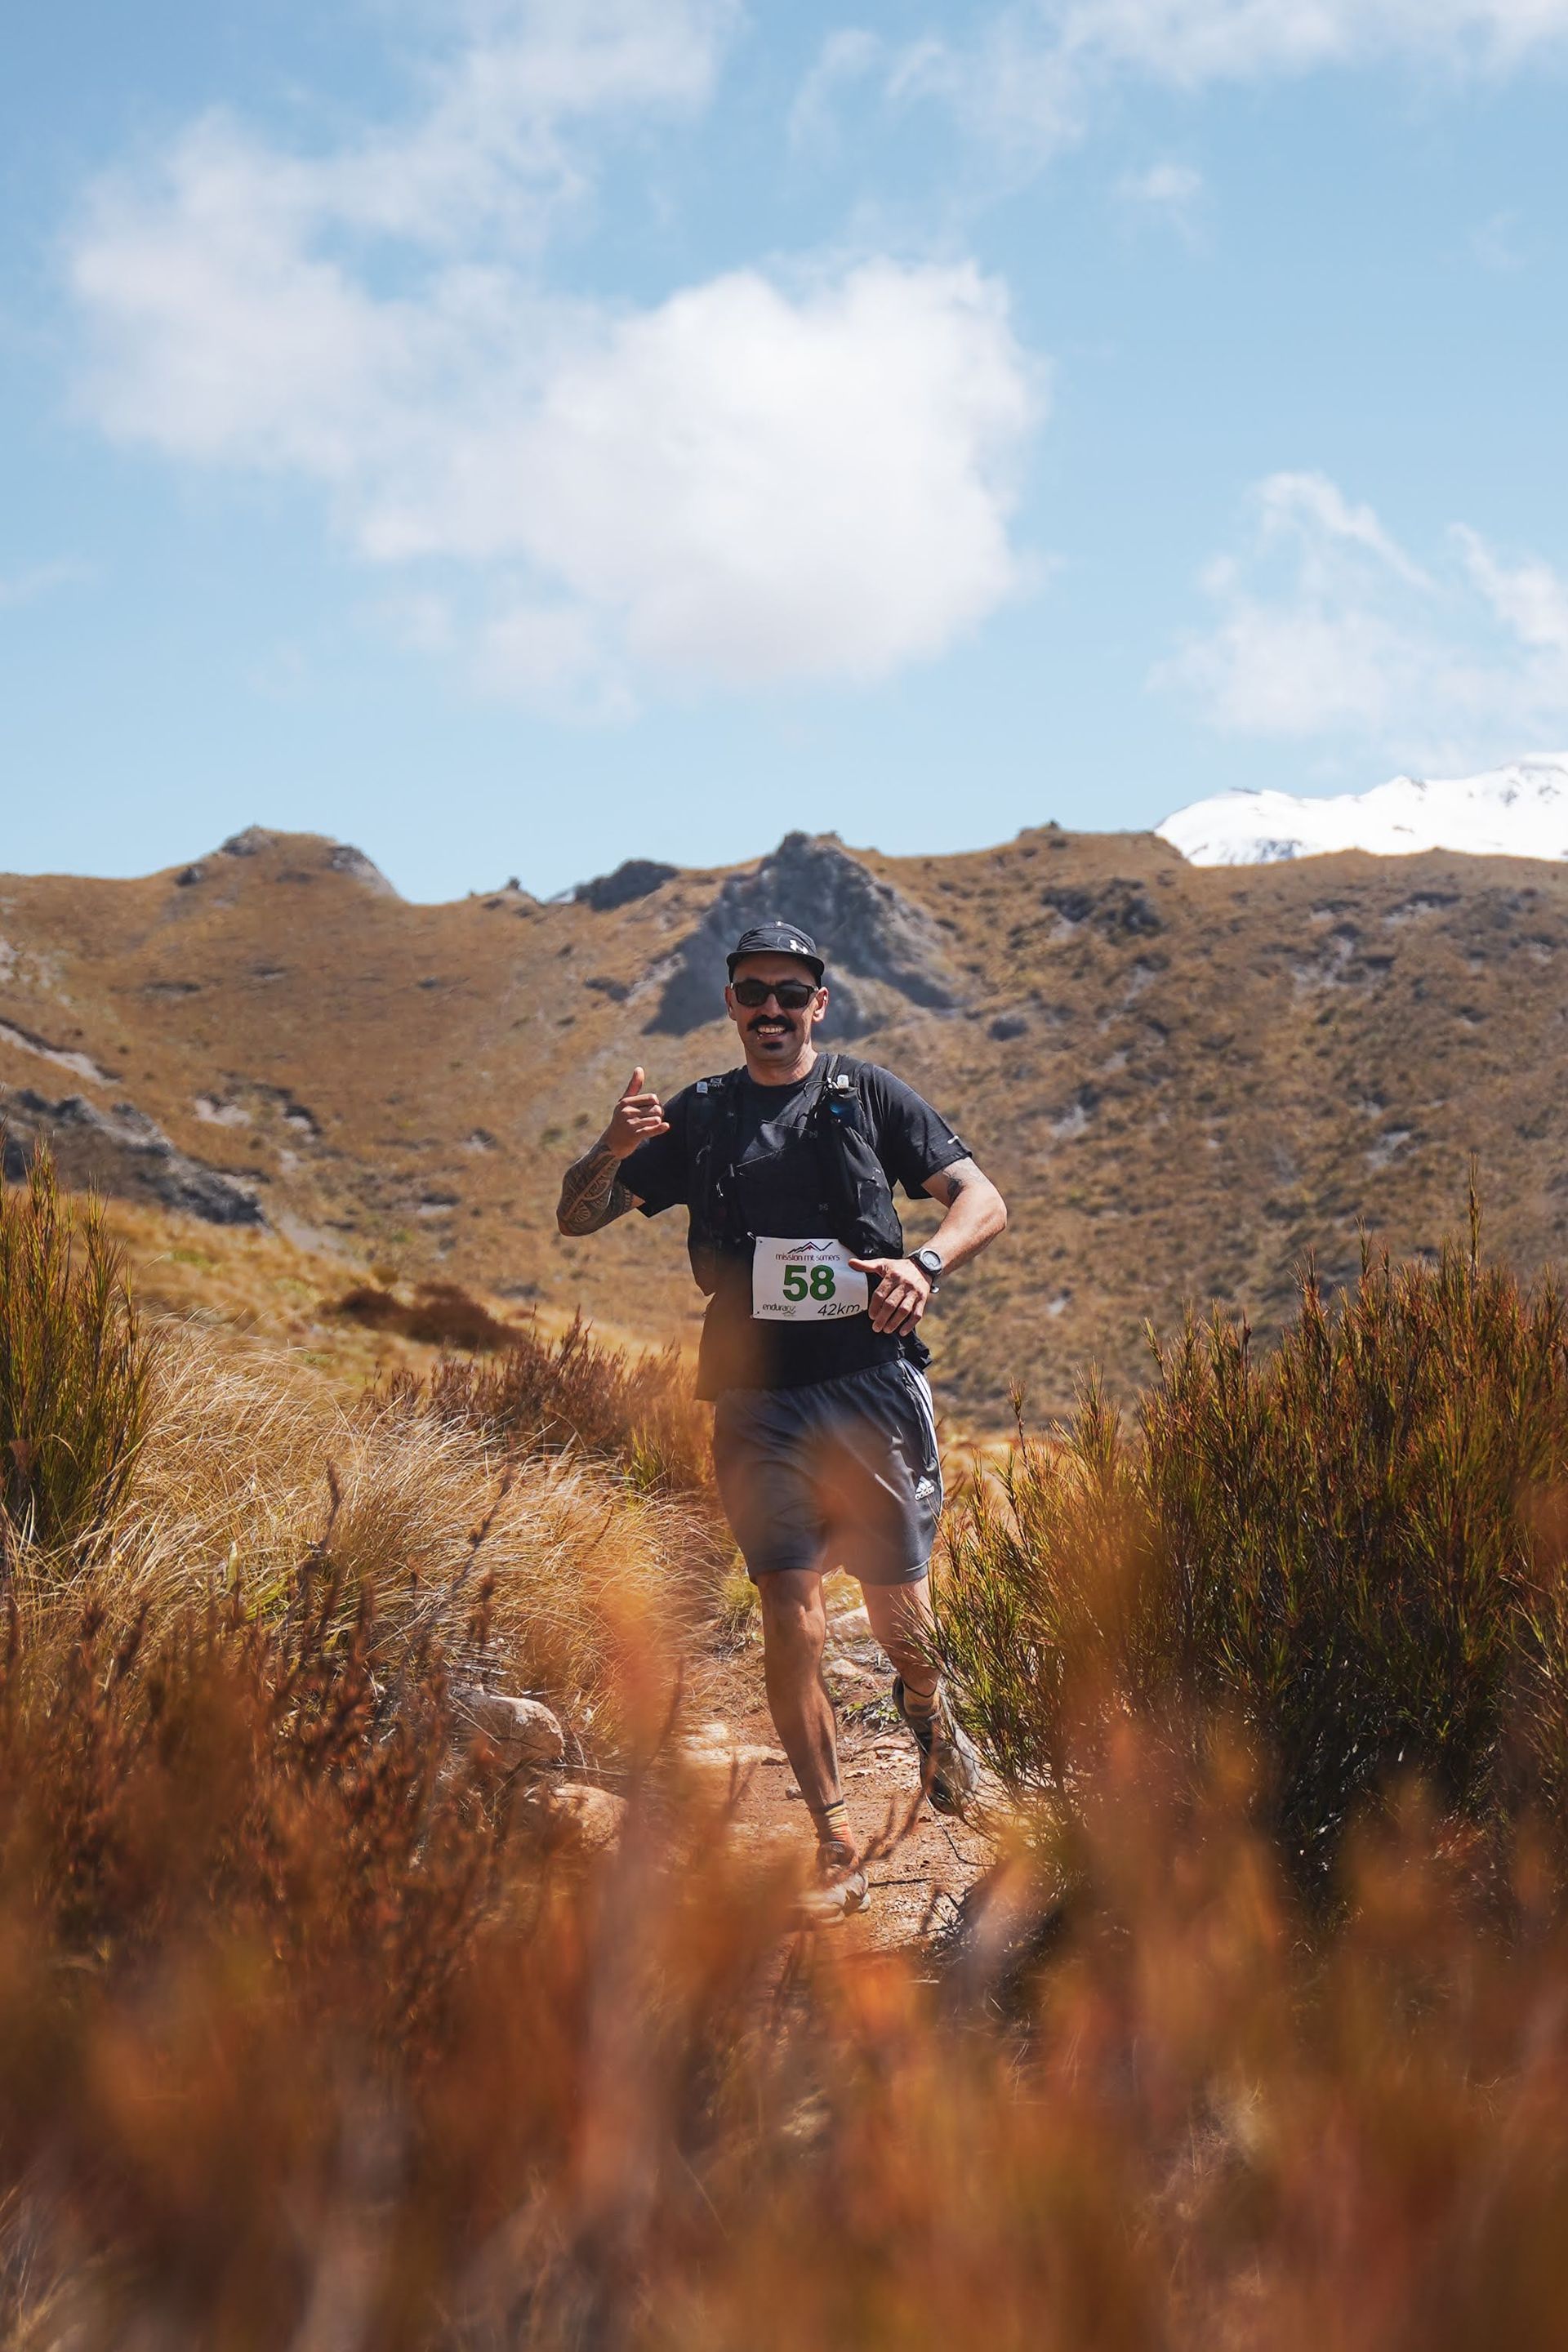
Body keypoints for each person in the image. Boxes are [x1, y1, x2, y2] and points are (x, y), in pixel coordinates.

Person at [556, 921, 1008, 1918]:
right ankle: (832, 1823)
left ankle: (927, 1709)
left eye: (790, 993)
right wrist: (611, 1147)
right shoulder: (702, 1115)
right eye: (753, 992)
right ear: (731, 1004)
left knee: (900, 1619)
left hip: (869, 1384)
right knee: (788, 1610)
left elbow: (982, 1199)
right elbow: (577, 1216)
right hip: (753, 1395)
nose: (772, 1009)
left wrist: (923, 1265)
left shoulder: (866, 1094)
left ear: (819, 1004)